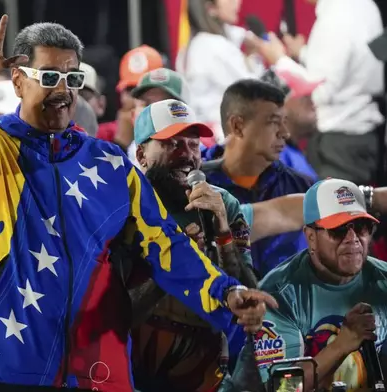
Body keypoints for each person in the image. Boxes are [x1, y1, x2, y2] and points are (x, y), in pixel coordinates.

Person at [0, 14, 276, 392]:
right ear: (18, 81)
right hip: (1, 368)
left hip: (97, 374)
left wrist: (225, 293)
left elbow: (167, 245)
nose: (63, 89)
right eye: (49, 77)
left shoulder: (110, 163)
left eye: (72, 77)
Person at [129, 99, 257, 392]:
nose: (186, 155)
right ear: (141, 154)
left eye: (193, 145)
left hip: (206, 370)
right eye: (172, 144)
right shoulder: (124, 206)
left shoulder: (224, 204)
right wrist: (178, 260)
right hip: (133, 368)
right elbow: (118, 310)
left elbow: (248, 293)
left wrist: (223, 231)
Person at [254, 178, 387, 391]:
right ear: (311, 237)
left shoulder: (383, 280)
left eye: (362, 227)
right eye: (338, 230)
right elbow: (282, 387)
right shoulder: (278, 294)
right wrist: (343, 343)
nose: (352, 239)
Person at [251, 0, 384, 185]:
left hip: (339, 145)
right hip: (358, 136)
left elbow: (319, 92)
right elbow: (350, 65)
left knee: (331, 211)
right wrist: (303, 53)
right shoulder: (364, 5)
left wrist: (279, 59)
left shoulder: (337, 15)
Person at [204, 79, 314, 277]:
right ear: (237, 126)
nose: (285, 133)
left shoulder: (303, 186)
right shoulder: (196, 185)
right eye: (273, 122)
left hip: (287, 307)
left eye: (284, 122)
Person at [176, 0, 265, 142]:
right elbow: (257, 92)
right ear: (210, 8)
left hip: (199, 138)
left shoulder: (188, 49)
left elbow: (237, 34)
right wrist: (256, 58)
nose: (237, 2)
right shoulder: (215, 46)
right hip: (221, 140)